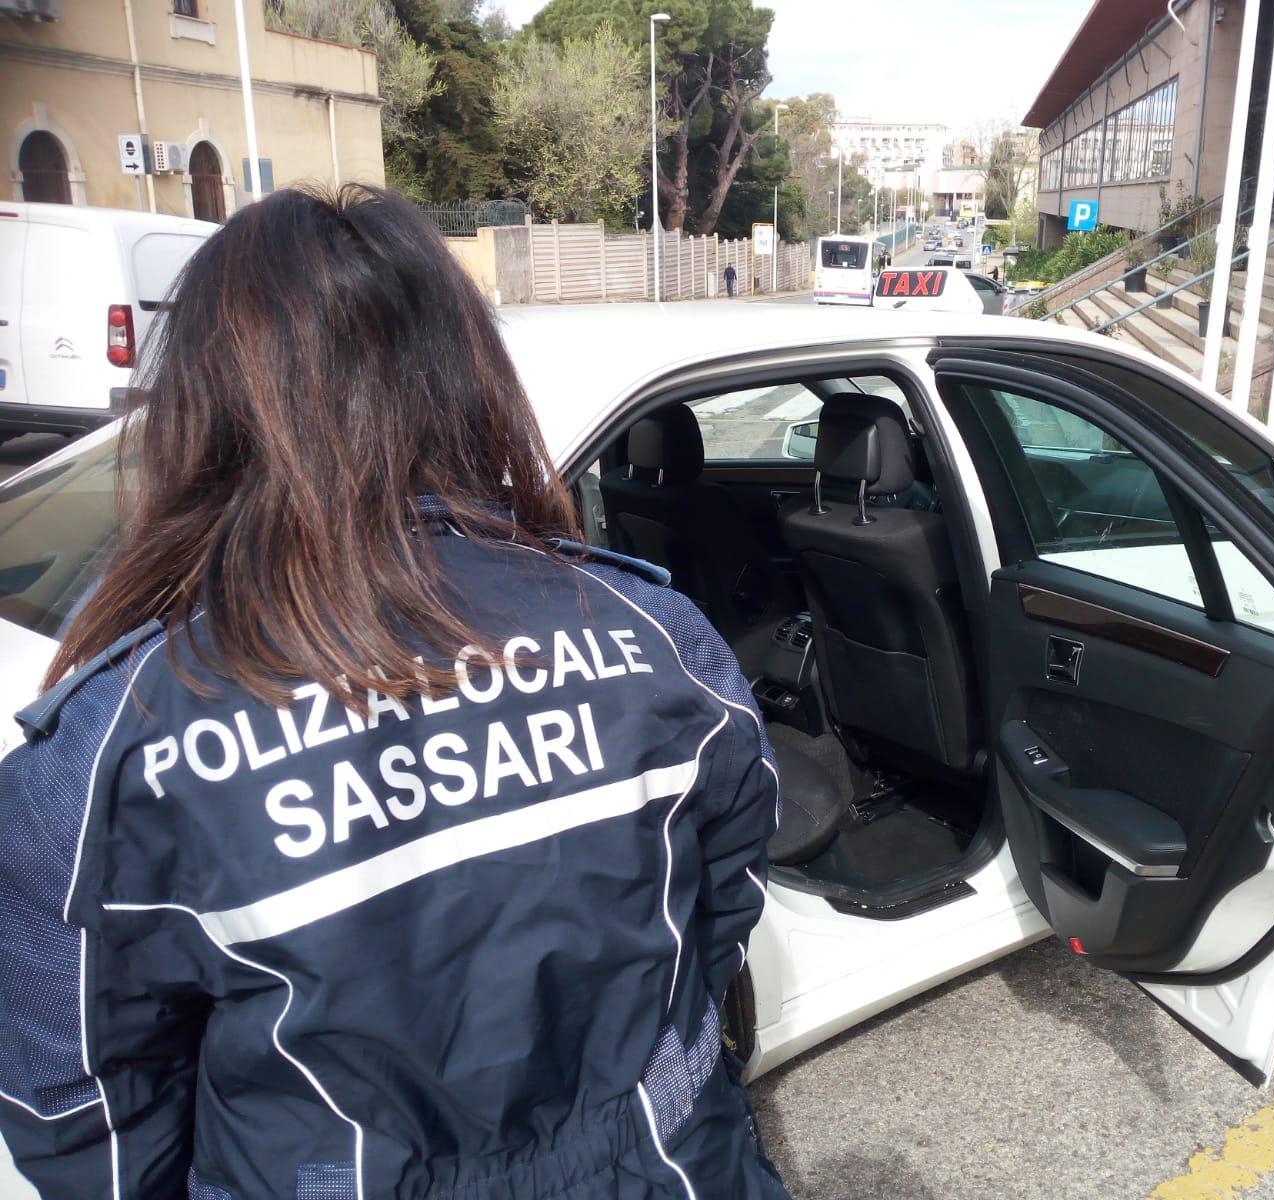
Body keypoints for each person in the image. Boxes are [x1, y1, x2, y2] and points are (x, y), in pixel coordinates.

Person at [0, 184, 788, 1200]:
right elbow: (723, 909)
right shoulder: (654, 637)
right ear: (468, 378)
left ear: (204, 407)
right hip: (670, 1169)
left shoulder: (113, 750)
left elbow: (87, 1118)